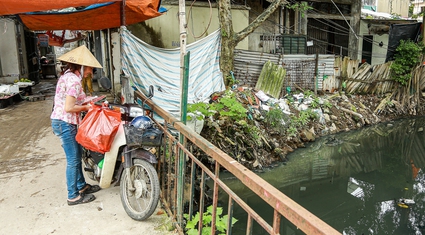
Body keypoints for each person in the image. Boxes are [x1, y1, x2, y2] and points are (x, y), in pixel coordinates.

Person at [50, 45, 103, 206]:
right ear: (82, 66)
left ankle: (81, 186)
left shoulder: (69, 76)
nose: (90, 73)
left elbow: (76, 100)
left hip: (64, 122)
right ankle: (73, 196)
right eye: (90, 69)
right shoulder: (74, 81)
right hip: (65, 123)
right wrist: (87, 107)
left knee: (77, 155)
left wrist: (92, 100)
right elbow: (69, 107)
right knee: (73, 159)